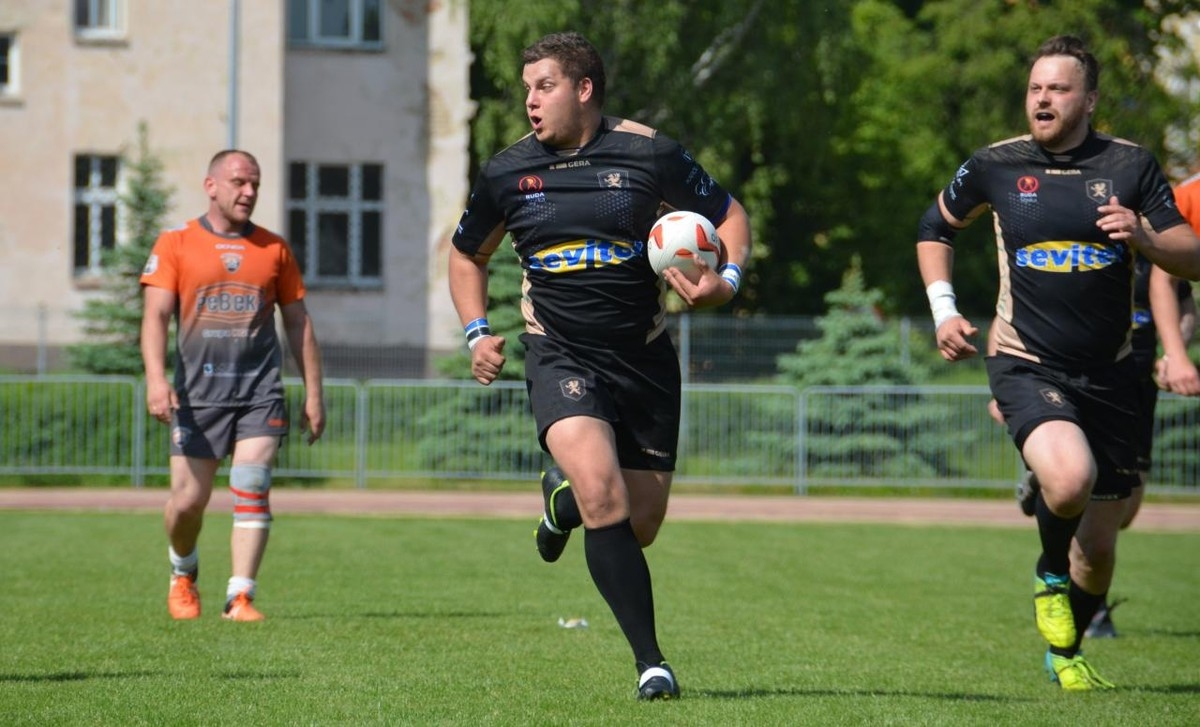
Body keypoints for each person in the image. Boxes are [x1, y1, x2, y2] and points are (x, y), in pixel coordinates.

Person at [448, 32, 751, 700]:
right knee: (603, 493)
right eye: (526, 89)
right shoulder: (507, 172)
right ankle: (652, 663)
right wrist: (477, 333)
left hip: (643, 358)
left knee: (639, 522)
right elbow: (467, 254)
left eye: (545, 86)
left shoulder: (650, 153)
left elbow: (729, 214)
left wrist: (724, 281)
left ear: (584, 89)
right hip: (559, 352)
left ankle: (561, 504)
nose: (530, 101)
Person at [916, 35, 1200, 691]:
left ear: (1090, 100)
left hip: (1112, 373)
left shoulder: (1131, 166)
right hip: (1025, 360)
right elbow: (934, 228)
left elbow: (1191, 256)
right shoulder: (995, 164)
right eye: (1036, 88)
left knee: (1098, 550)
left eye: (1059, 89)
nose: (1043, 99)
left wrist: (1146, 235)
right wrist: (944, 311)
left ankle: (1065, 650)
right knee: (1070, 480)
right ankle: (1049, 572)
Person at [141, 149, 326, 622]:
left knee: (251, 483)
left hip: (259, 394)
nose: (249, 192)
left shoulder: (274, 249)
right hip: (197, 395)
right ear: (211, 186)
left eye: (255, 184)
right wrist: (156, 379)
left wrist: (314, 393)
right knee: (187, 503)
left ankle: (239, 597)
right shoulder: (176, 243)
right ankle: (183, 570)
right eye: (239, 182)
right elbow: (155, 316)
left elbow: (299, 323)